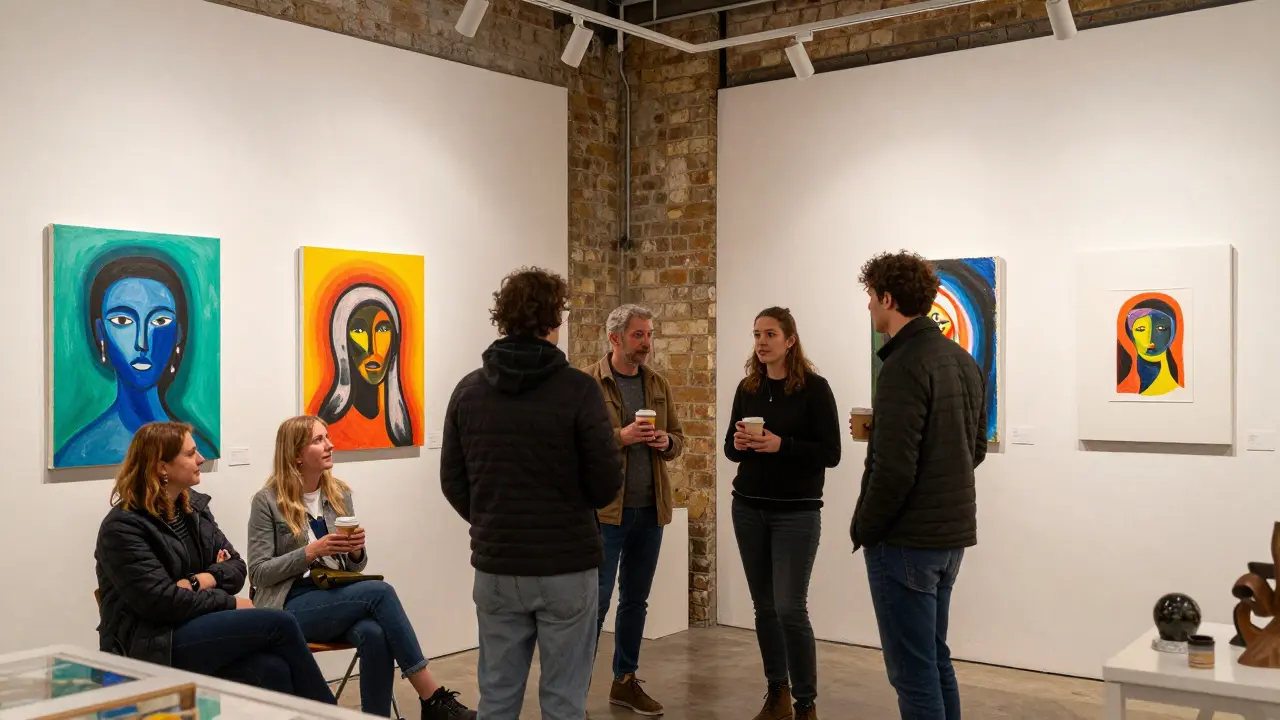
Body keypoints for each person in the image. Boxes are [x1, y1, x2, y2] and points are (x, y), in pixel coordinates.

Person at [441, 266, 623, 720]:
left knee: (497, 699)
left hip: (498, 563)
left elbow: (453, 480)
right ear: (553, 319)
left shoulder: (469, 391)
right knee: (564, 702)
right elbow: (605, 484)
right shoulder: (579, 390)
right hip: (566, 564)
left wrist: (492, 519)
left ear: (503, 318)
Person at [247, 415, 474, 720]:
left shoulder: (338, 493)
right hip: (286, 604)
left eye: (328, 437)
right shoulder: (266, 501)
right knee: (381, 592)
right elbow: (258, 573)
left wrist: (355, 552)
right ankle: (433, 698)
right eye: (318, 440)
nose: (330, 445)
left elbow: (352, 570)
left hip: (330, 593)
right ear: (297, 454)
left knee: (374, 632)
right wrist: (310, 552)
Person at [94, 421, 333, 704]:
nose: (201, 459)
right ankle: (331, 713)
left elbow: (237, 568)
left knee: (273, 669)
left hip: (196, 622)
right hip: (152, 642)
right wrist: (228, 602)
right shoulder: (123, 527)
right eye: (190, 453)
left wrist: (199, 580)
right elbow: (161, 601)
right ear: (162, 467)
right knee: (279, 622)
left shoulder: (193, 508)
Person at [853, 251, 987, 720]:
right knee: (933, 657)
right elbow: (974, 449)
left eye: (872, 296)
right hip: (949, 538)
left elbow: (894, 471)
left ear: (889, 299)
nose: (869, 306)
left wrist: (865, 528)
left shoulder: (902, 366)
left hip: (906, 540)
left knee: (912, 672)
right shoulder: (962, 360)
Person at [724, 307, 841, 720]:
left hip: (796, 513)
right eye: (757, 334)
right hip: (748, 508)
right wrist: (740, 443)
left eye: (770, 334)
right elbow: (729, 448)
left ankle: (805, 703)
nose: (761, 342)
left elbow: (831, 453)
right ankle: (777, 694)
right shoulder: (748, 388)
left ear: (790, 340)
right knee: (765, 607)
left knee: (790, 607)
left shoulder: (815, 389)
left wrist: (782, 445)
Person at [586, 304, 685, 716]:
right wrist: (620, 437)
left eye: (649, 334)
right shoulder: (589, 385)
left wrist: (667, 442)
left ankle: (625, 680)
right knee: (595, 604)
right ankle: (571, 689)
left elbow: (678, 437)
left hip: (649, 510)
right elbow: (578, 444)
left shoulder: (657, 383)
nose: (646, 343)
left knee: (635, 601)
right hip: (607, 513)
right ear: (615, 338)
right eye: (638, 335)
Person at [56, 255, 216, 467]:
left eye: (160, 320)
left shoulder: (201, 450)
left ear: (178, 334)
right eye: (122, 321)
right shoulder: (79, 453)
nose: (142, 343)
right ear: (101, 333)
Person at [315, 284, 414, 448]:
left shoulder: (399, 429)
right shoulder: (329, 427)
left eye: (383, 329)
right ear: (343, 340)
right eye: (359, 330)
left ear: (395, 339)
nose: (372, 347)